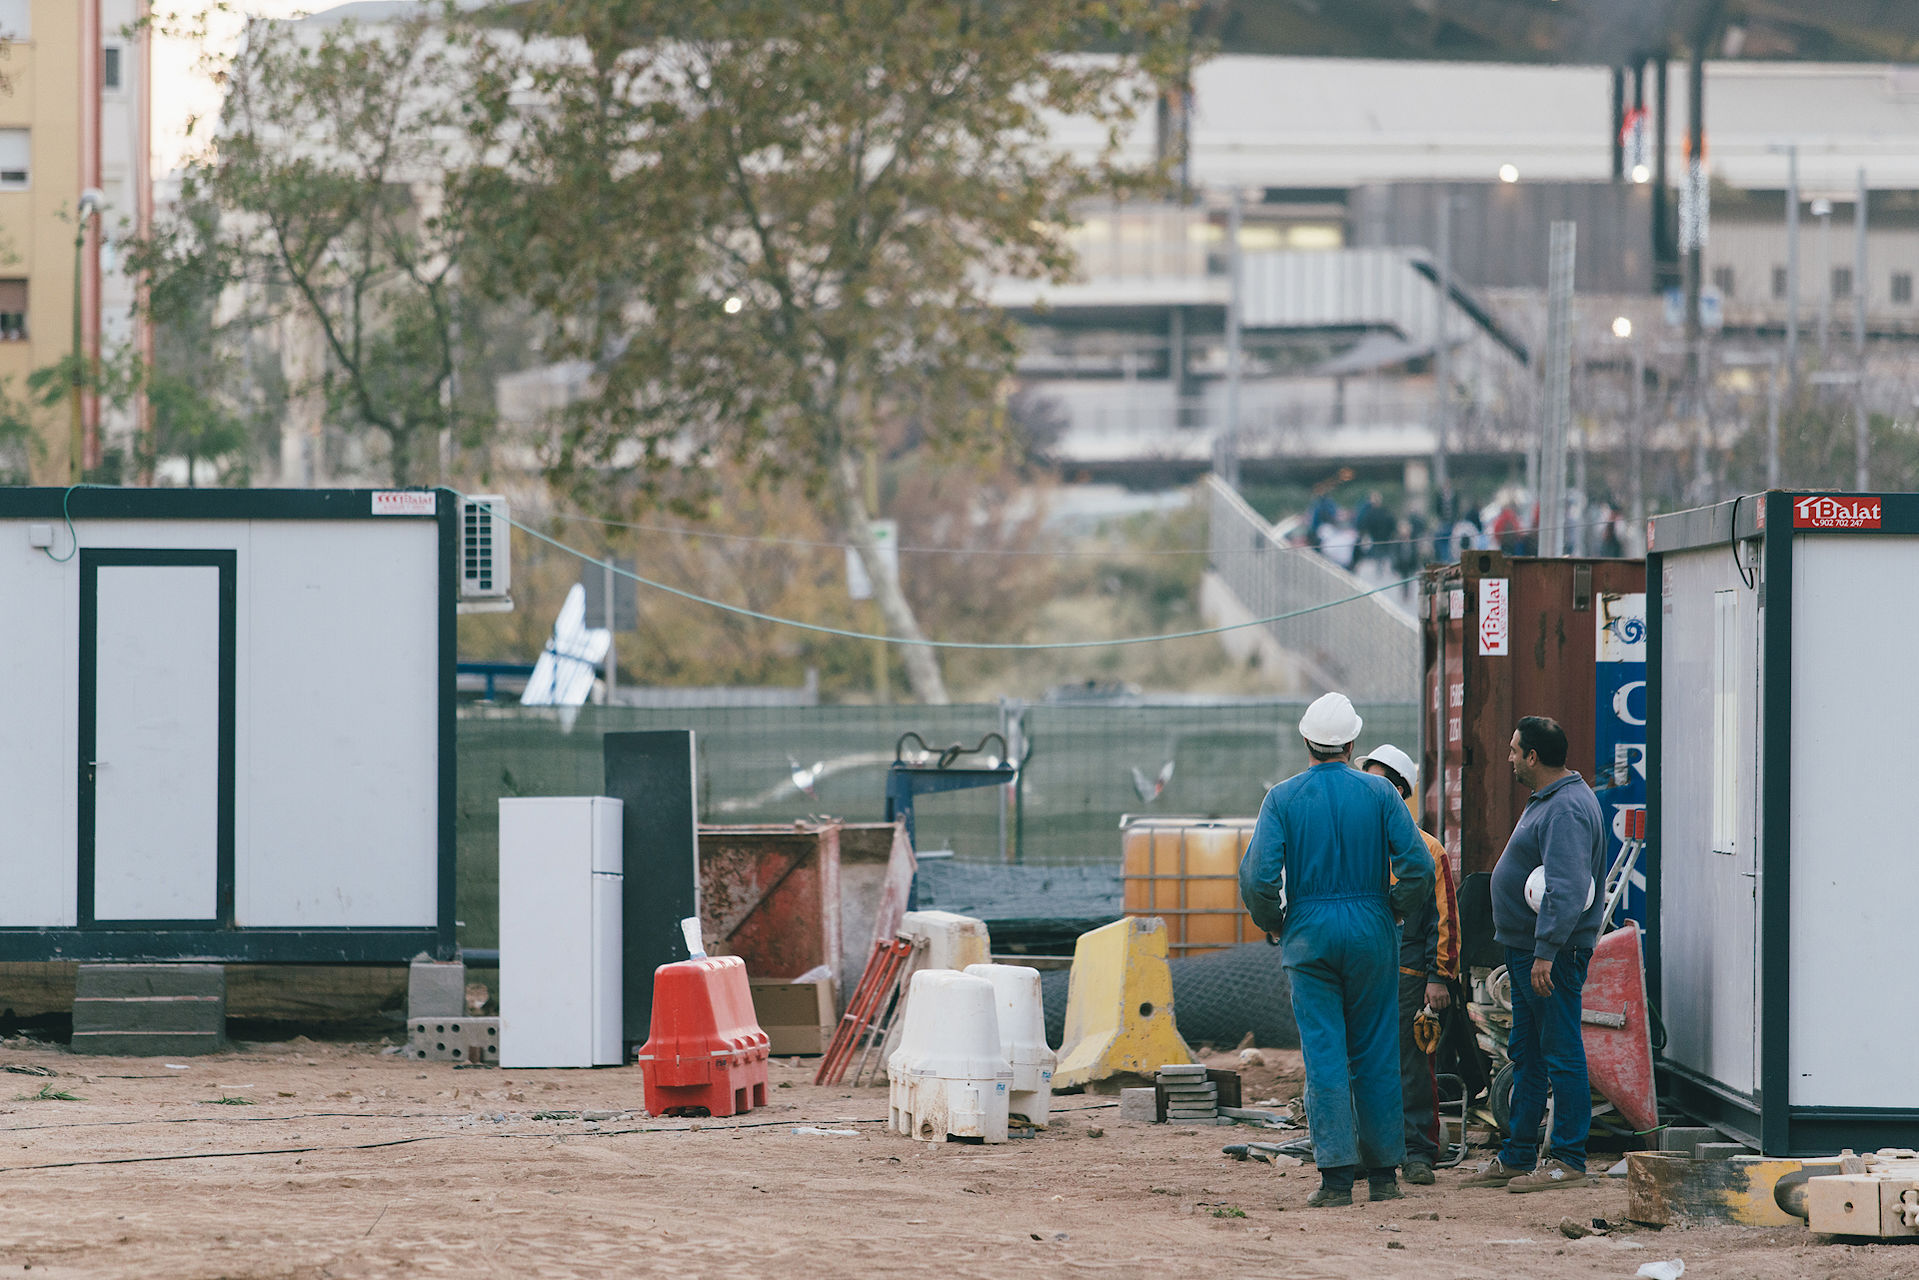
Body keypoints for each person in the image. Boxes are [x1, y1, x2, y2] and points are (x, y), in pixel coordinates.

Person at [1239, 693, 1433, 1208]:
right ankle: (1385, 1177)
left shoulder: (1281, 798)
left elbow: (1258, 878)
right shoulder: (1380, 794)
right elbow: (1419, 867)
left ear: (1307, 741)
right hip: (1371, 928)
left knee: (1324, 1054)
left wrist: (1278, 923)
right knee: (1375, 1051)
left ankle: (1335, 1180)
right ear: (1351, 743)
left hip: (1309, 931)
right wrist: (1391, 910)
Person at [1461, 716, 1607, 1193]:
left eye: (1513, 750)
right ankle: (1519, 1154)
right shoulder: (1550, 799)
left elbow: (1565, 889)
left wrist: (1546, 952)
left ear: (1532, 757)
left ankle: (1568, 1158)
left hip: (1551, 956)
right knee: (1526, 1051)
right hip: (1528, 949)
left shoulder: (1564, 809)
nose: (1508, 758)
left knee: (1560, 1050)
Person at [1357, 743, 1461, 1186]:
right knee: (1364, 1065)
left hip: (1409, 978)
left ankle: (1419, 1151)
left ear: (1400, 792)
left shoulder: (1427, 850)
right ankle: (1371, 1151)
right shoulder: (1357, 844)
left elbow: (1445, 918)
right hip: (1363, 973)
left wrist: (1440, 977)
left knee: (1413, 1068)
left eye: (1380, 783)